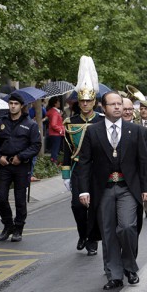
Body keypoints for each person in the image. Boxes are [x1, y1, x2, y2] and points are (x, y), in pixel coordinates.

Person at [78, 91, 147, 290]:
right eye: (113, 104)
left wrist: (146, 188)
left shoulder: (134, 131)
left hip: (128, 188)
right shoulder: (93, 131)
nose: (118, 107)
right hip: (103, 189)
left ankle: (129, 266)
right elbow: (84, 163)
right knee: (108, 232)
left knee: (128, 227)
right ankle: (114, 275)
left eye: (120, 103)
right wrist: (83, 191)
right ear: (103, 107)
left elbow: (144, 162)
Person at [62, 56, 105, 255]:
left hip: (98, 169)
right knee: (77, 207)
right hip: (79, 168)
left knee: (95, 206)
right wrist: (65, 174)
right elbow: (67, 150)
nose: (85, 104)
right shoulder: (70, 122)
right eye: (82, 101)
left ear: (94, 101)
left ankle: (91, 240)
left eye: (89, 100)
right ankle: (82, 233)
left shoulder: (103, 121)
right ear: (78, 102)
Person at [0, 92, 42, 242]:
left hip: (21, 166)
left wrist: (21, 157)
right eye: (11, 103)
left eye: (16, 104)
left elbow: (36, 145)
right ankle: (8, 225)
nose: (13, 106)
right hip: (4, 164)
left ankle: (18, 228)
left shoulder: (30, 124)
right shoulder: (1, 122)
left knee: (20, 199)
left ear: (21, 106)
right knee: (1, 197)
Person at [46, 97, 65, 164]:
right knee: (55, 149)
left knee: (54, 149)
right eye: (58, 102)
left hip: (53, 133)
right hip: (56, 134)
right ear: (55, 103)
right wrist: (60, 130)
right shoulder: (54, 113)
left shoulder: (53, 111)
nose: (59, 103)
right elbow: (54, 124)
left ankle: (53, 162)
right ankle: (53, 163)